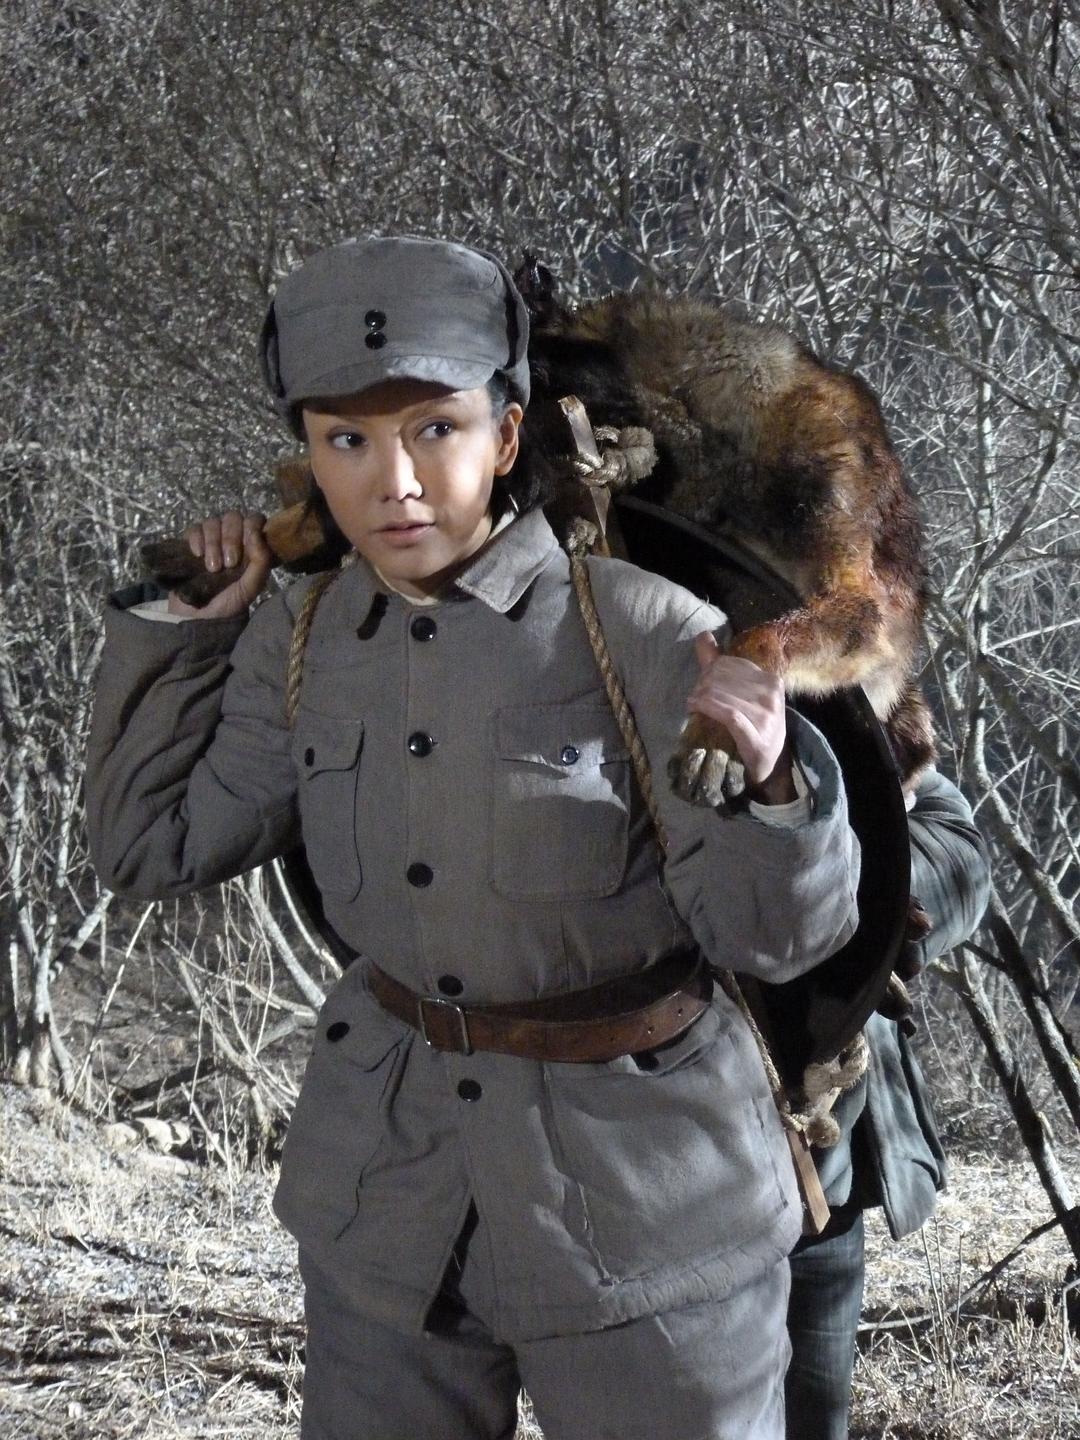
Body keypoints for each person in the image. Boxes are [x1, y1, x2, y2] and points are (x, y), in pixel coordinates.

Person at [86, 236, 862, 1439]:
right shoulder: (304, 641)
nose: (393, 481)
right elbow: (151, 844)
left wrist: (769, 782)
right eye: (347, 440)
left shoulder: (646, 632)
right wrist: (184, 635)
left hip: (645, 1214)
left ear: (504, 438)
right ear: (309, 455)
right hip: (391, 1203)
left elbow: (778, 936)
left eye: (435, 430)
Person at [785, 769, 991, 1439]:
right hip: (661, 1169)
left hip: (823, 1173)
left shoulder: (862, 724)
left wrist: (848, 891)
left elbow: (960, 861)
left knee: (811, 1420)